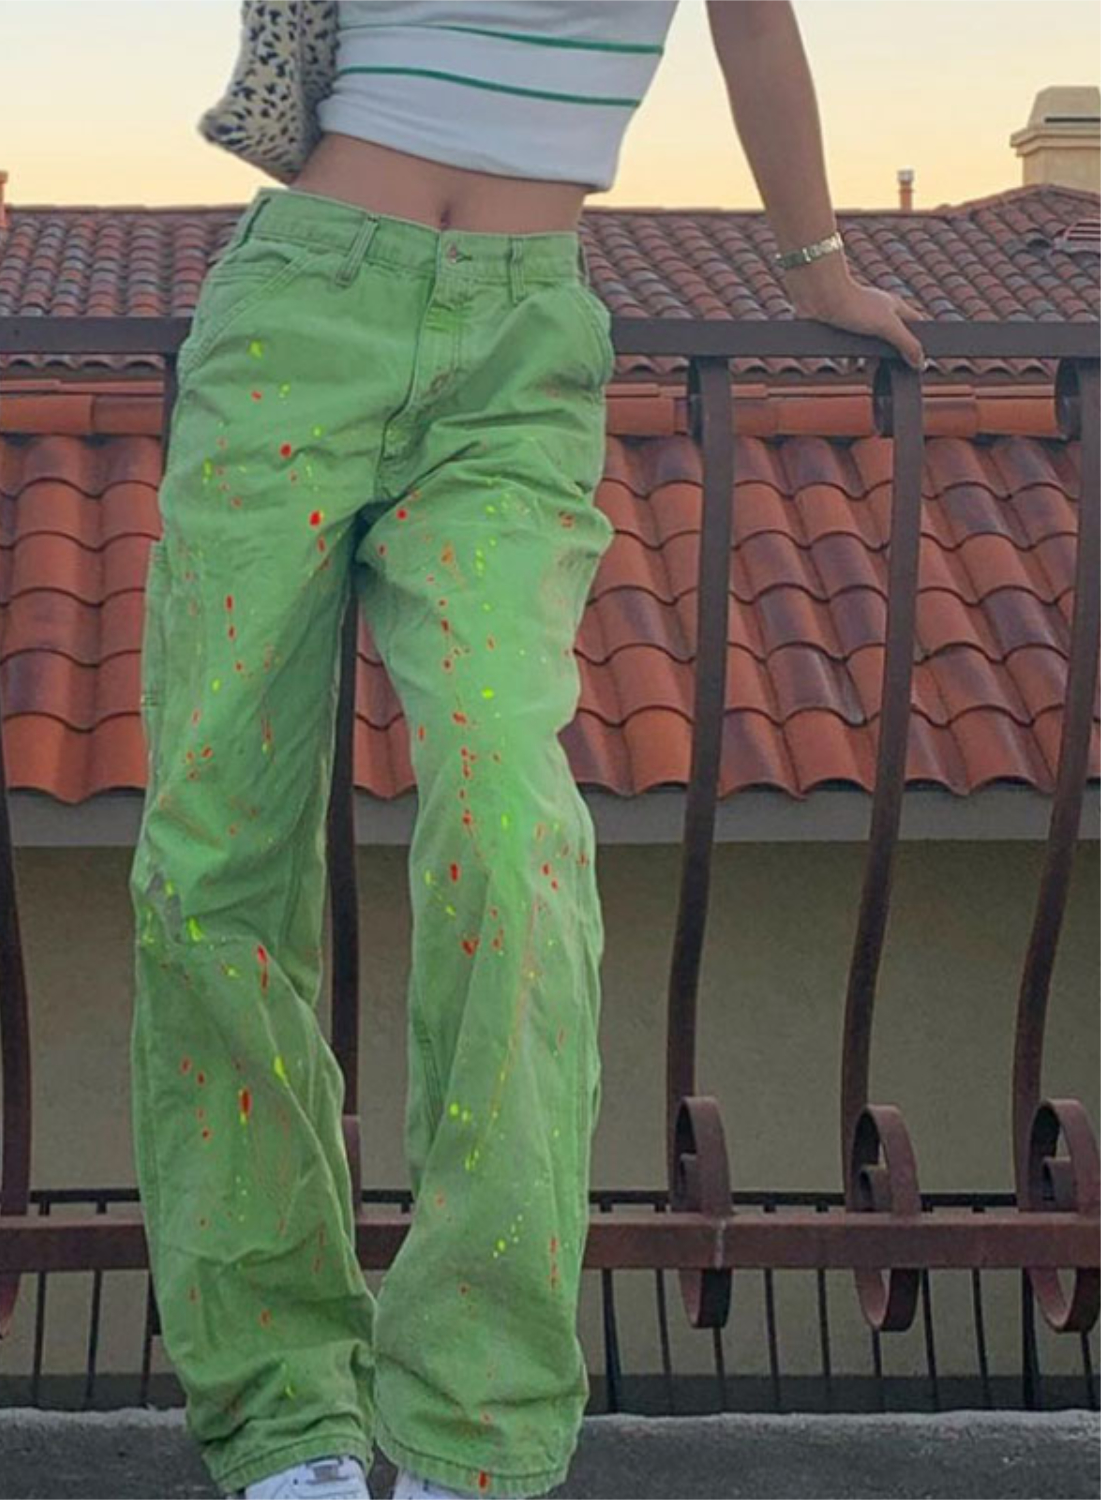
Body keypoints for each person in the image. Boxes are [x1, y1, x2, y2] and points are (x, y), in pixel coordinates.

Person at [128, 5, 926, 1499]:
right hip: (300, 306)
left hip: (519, 349)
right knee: (210, 861)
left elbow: (755, 24)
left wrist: (818, 267)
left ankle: (472, 1425)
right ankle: (284, 1412)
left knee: (511, 834)